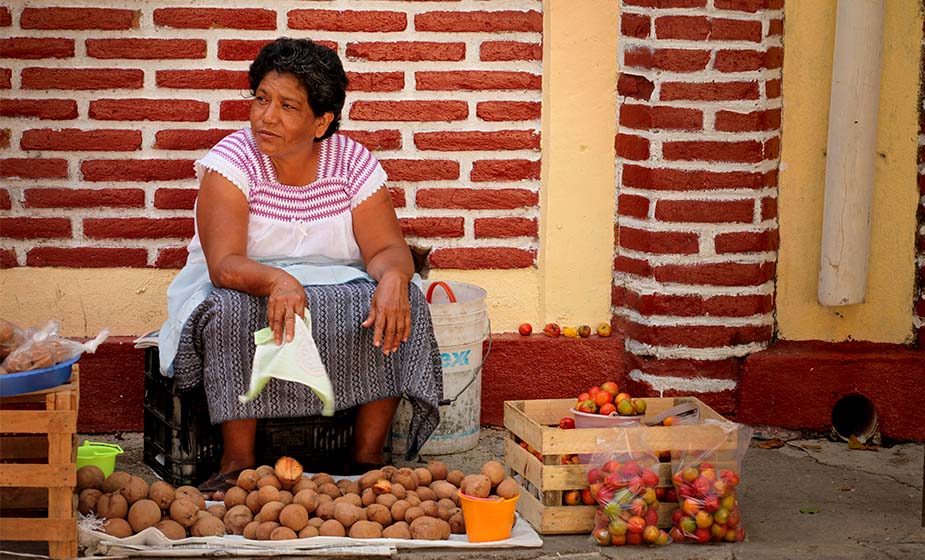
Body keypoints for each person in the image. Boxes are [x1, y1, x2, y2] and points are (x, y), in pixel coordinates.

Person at [156, 37, 443, 496]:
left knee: (401, 297)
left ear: (321, 121)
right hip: (245, 285)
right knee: (232, 309)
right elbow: (224, 265)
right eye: (261, 99)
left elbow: (388, 248)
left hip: (333, 291)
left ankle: (366, 456)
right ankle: (238, 462)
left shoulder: (352, 163)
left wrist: (393, 275)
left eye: (288, 106)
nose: (266, 116)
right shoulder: (231, 163)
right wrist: (277, 280)